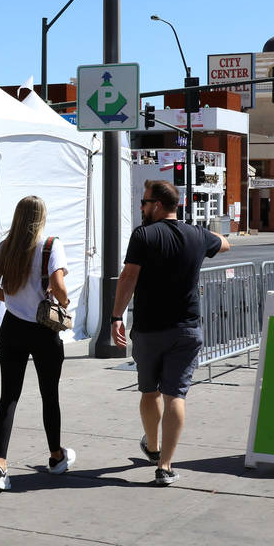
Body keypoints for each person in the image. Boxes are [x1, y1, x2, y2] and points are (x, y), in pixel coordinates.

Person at [110, 180, 229, 486]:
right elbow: (225, 243)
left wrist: (115, 316)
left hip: (150, 328)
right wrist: (202, 233)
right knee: (176, 394)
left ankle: (152, 446)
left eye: (144, 202)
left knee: (149, 391)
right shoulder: (197, 235)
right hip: (186, 328)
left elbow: (128, 277)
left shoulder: (144, 235)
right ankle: (165, 465)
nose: (141, 208)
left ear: (158, 205)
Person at [0, 195, 74, 493]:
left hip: (12, 327)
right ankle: (56, 456)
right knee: (49, 394)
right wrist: (64, 302)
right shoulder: (50, 245)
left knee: (8, 396)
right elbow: (60, 286)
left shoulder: (5, 246)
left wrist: (11, 300)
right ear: (41, 217)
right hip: (43, 330)